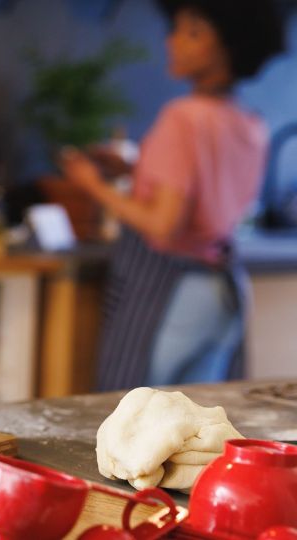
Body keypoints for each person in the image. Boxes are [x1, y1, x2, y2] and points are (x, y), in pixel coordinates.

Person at [61, 0, 284, 390]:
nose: (173, 41)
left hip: (170, 294)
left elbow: (164, 226)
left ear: (229, 45)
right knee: (195, 427)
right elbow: (203, 192)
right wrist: (132, 171)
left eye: (193, 32)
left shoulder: (183, 116)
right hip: (221, 291)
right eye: (176, 29)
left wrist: (90, 183)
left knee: (142, 420)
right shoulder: (247, 120)